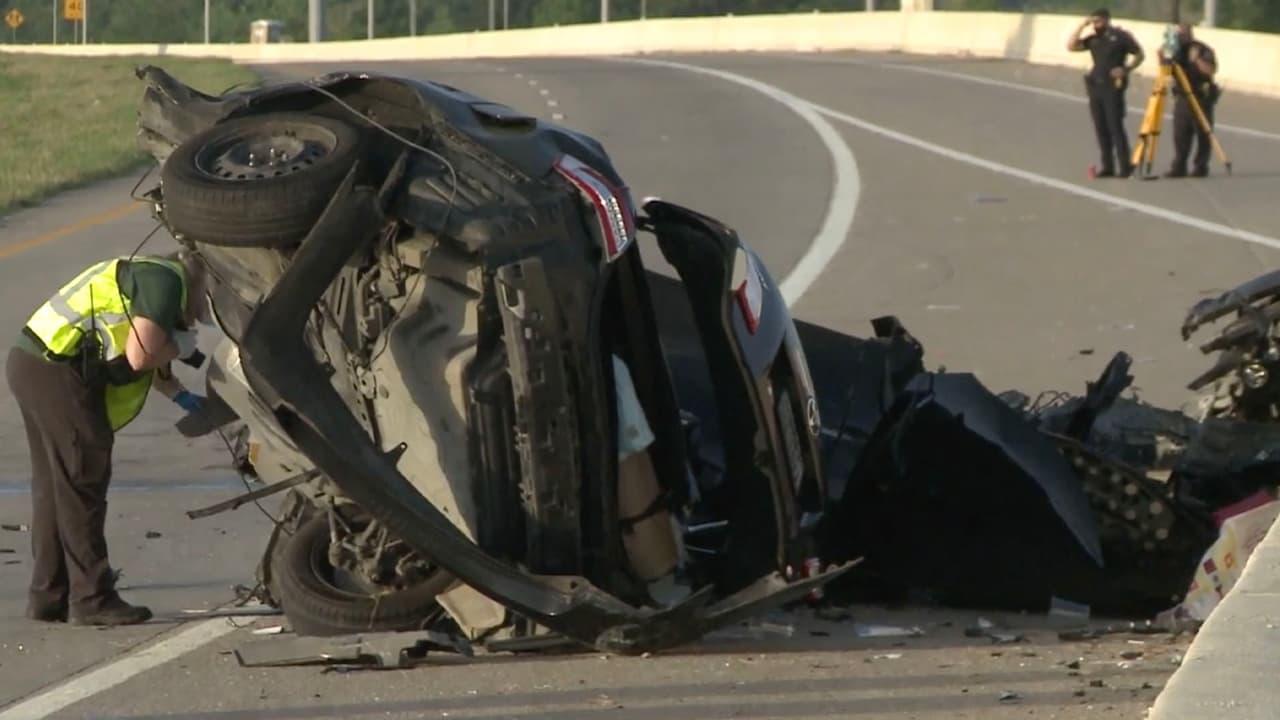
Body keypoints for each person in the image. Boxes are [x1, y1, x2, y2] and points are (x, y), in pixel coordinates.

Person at [7, 249, 210, 626]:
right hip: (60, 372)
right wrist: (180, 346)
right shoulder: (167, 281)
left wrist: (182, 396)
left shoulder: (150, 275)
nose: (200, 314)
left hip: (34, 362)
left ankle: (49, 595)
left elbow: (145, 357)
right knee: (83, 479)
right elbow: (142, 353)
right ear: (200, 279)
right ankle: (92, 599)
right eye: (203, 303)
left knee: (56, 486)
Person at [1068, 8, 1145, 178]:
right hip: (1095, 86)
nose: (1096, 25)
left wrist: (1126, 69)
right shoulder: (1094, 39)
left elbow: (1139, 54)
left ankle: (1125, 166)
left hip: (1113, 86)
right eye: (1094, 22)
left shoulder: (1120, 36)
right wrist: (1082, 25)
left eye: (1099, 21)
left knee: (1115, 126)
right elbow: (1071, 46)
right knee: (1100, 127)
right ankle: (1107, 166)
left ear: (1107, 20)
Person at [1165, 22, 1220, 178]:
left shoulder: (1202, 49)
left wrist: (1197, 60)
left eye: (1183, 34)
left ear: (1190, 33)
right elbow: (1166, 69)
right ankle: (1179, 165)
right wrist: (1164, 53)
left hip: (1201, 96)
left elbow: (1211, 70)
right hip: (1182, 96)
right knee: (1180, 133)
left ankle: (1201, 166)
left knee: (1203, 133)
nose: (1181, 37)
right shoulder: (1175, 50)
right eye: (1178, 35)